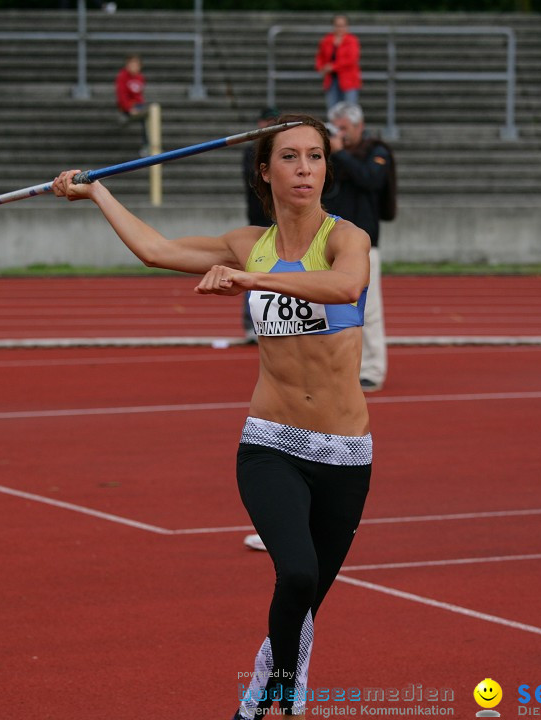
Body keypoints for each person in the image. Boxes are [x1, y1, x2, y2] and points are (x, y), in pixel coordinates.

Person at [53, 114, 373, 719]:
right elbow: (156, 250)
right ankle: (283, 696)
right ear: (264, 170)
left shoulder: (343, 238)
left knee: (305, 605)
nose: (304, 168)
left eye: (315, 157)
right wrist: (96, 191)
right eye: (290, 157)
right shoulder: (243, 241)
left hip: (345, 453)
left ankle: (257, 696)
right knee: (298, 575)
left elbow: (346, 286)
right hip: (271, 442)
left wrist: (250, 281)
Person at [324, 102, 394, 392]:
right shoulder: (332, 157)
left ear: (359, 126)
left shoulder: (375, 151)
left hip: (364, 245)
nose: (340, 134)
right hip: (331, 244)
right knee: (330, 309)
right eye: (335, 128)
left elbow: (372, 179)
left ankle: (373, 369)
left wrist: (340, 152)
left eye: (345, 128)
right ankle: (340, 366)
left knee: (370, 310)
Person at [241, 107, 280, 342]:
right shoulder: (251, 152)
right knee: (254, 270)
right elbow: (255, 179)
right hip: (258, 220)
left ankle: (276, 321)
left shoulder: (281, 151)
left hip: (280, 221)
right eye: (268, 122)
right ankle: (250, 323)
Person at [315, 15, 361, 117]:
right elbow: (320, 57)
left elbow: (351, 59)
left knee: (350, 112)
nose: (340, 28)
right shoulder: (327, 40)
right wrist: (321, 68)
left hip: (348, 81)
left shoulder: (352, 40)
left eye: (342, 26)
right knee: (333, 112)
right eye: (337, 26)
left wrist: (332, 67)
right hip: (331, 80)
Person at [115, 53, 149, 156]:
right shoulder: (122, 77)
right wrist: (129, 108)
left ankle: (147, 145)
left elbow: (139, 96)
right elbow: (122, 95)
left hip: (138, 106)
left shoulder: (140, 77)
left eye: (136, 65)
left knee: (149, 116)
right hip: (127, 108)